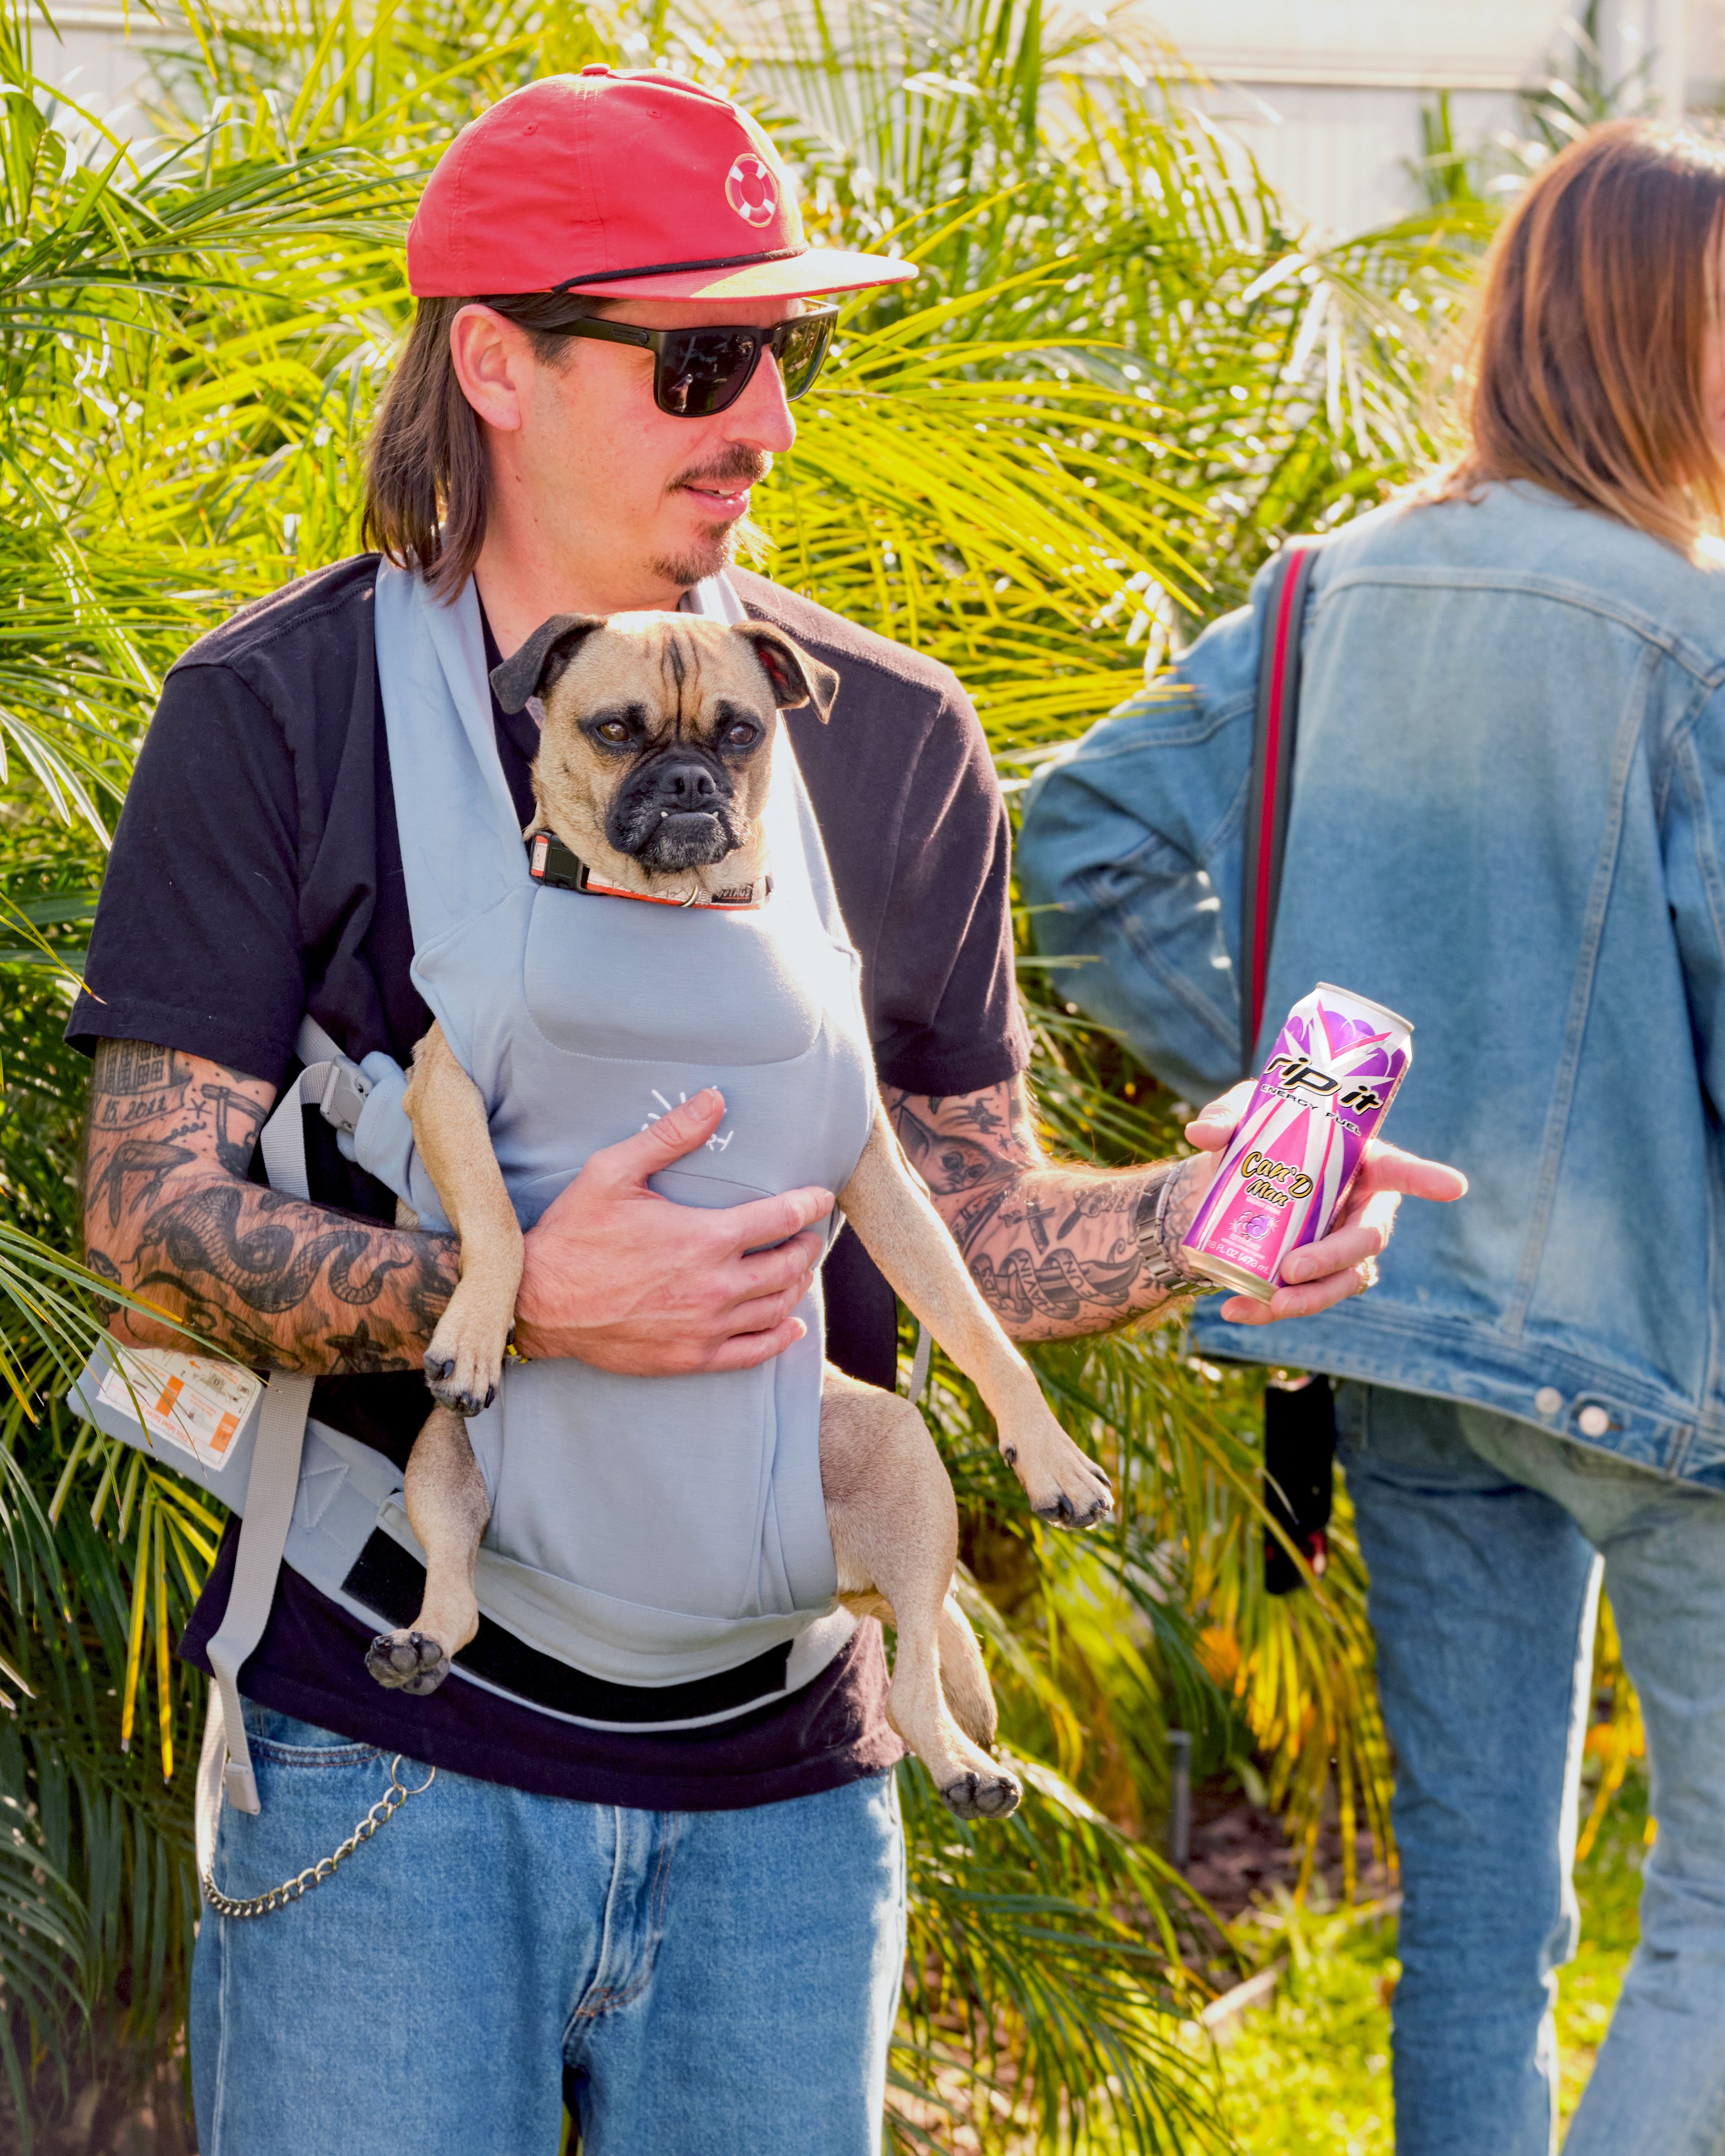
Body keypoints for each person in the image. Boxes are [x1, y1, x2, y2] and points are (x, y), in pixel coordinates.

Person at [71, 69, 1451, 2156]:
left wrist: (1209, 1214)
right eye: (703, 358)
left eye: (782, 354)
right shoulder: (278, 714)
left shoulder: (885, 735)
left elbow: (964, 1222)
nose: (771, 421)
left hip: (790, 1789)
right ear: (493, 365)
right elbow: (146, 1210)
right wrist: (517, 1291)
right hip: (393, 1744)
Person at [1019, 117, 1725, 2156]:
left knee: (1481, 1913)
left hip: (1390, 1320)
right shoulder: (1687, 634)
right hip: (1661, 1356)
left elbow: (1076, 843)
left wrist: (1289, 1120)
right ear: (1659, 343)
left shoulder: (1331, 589)